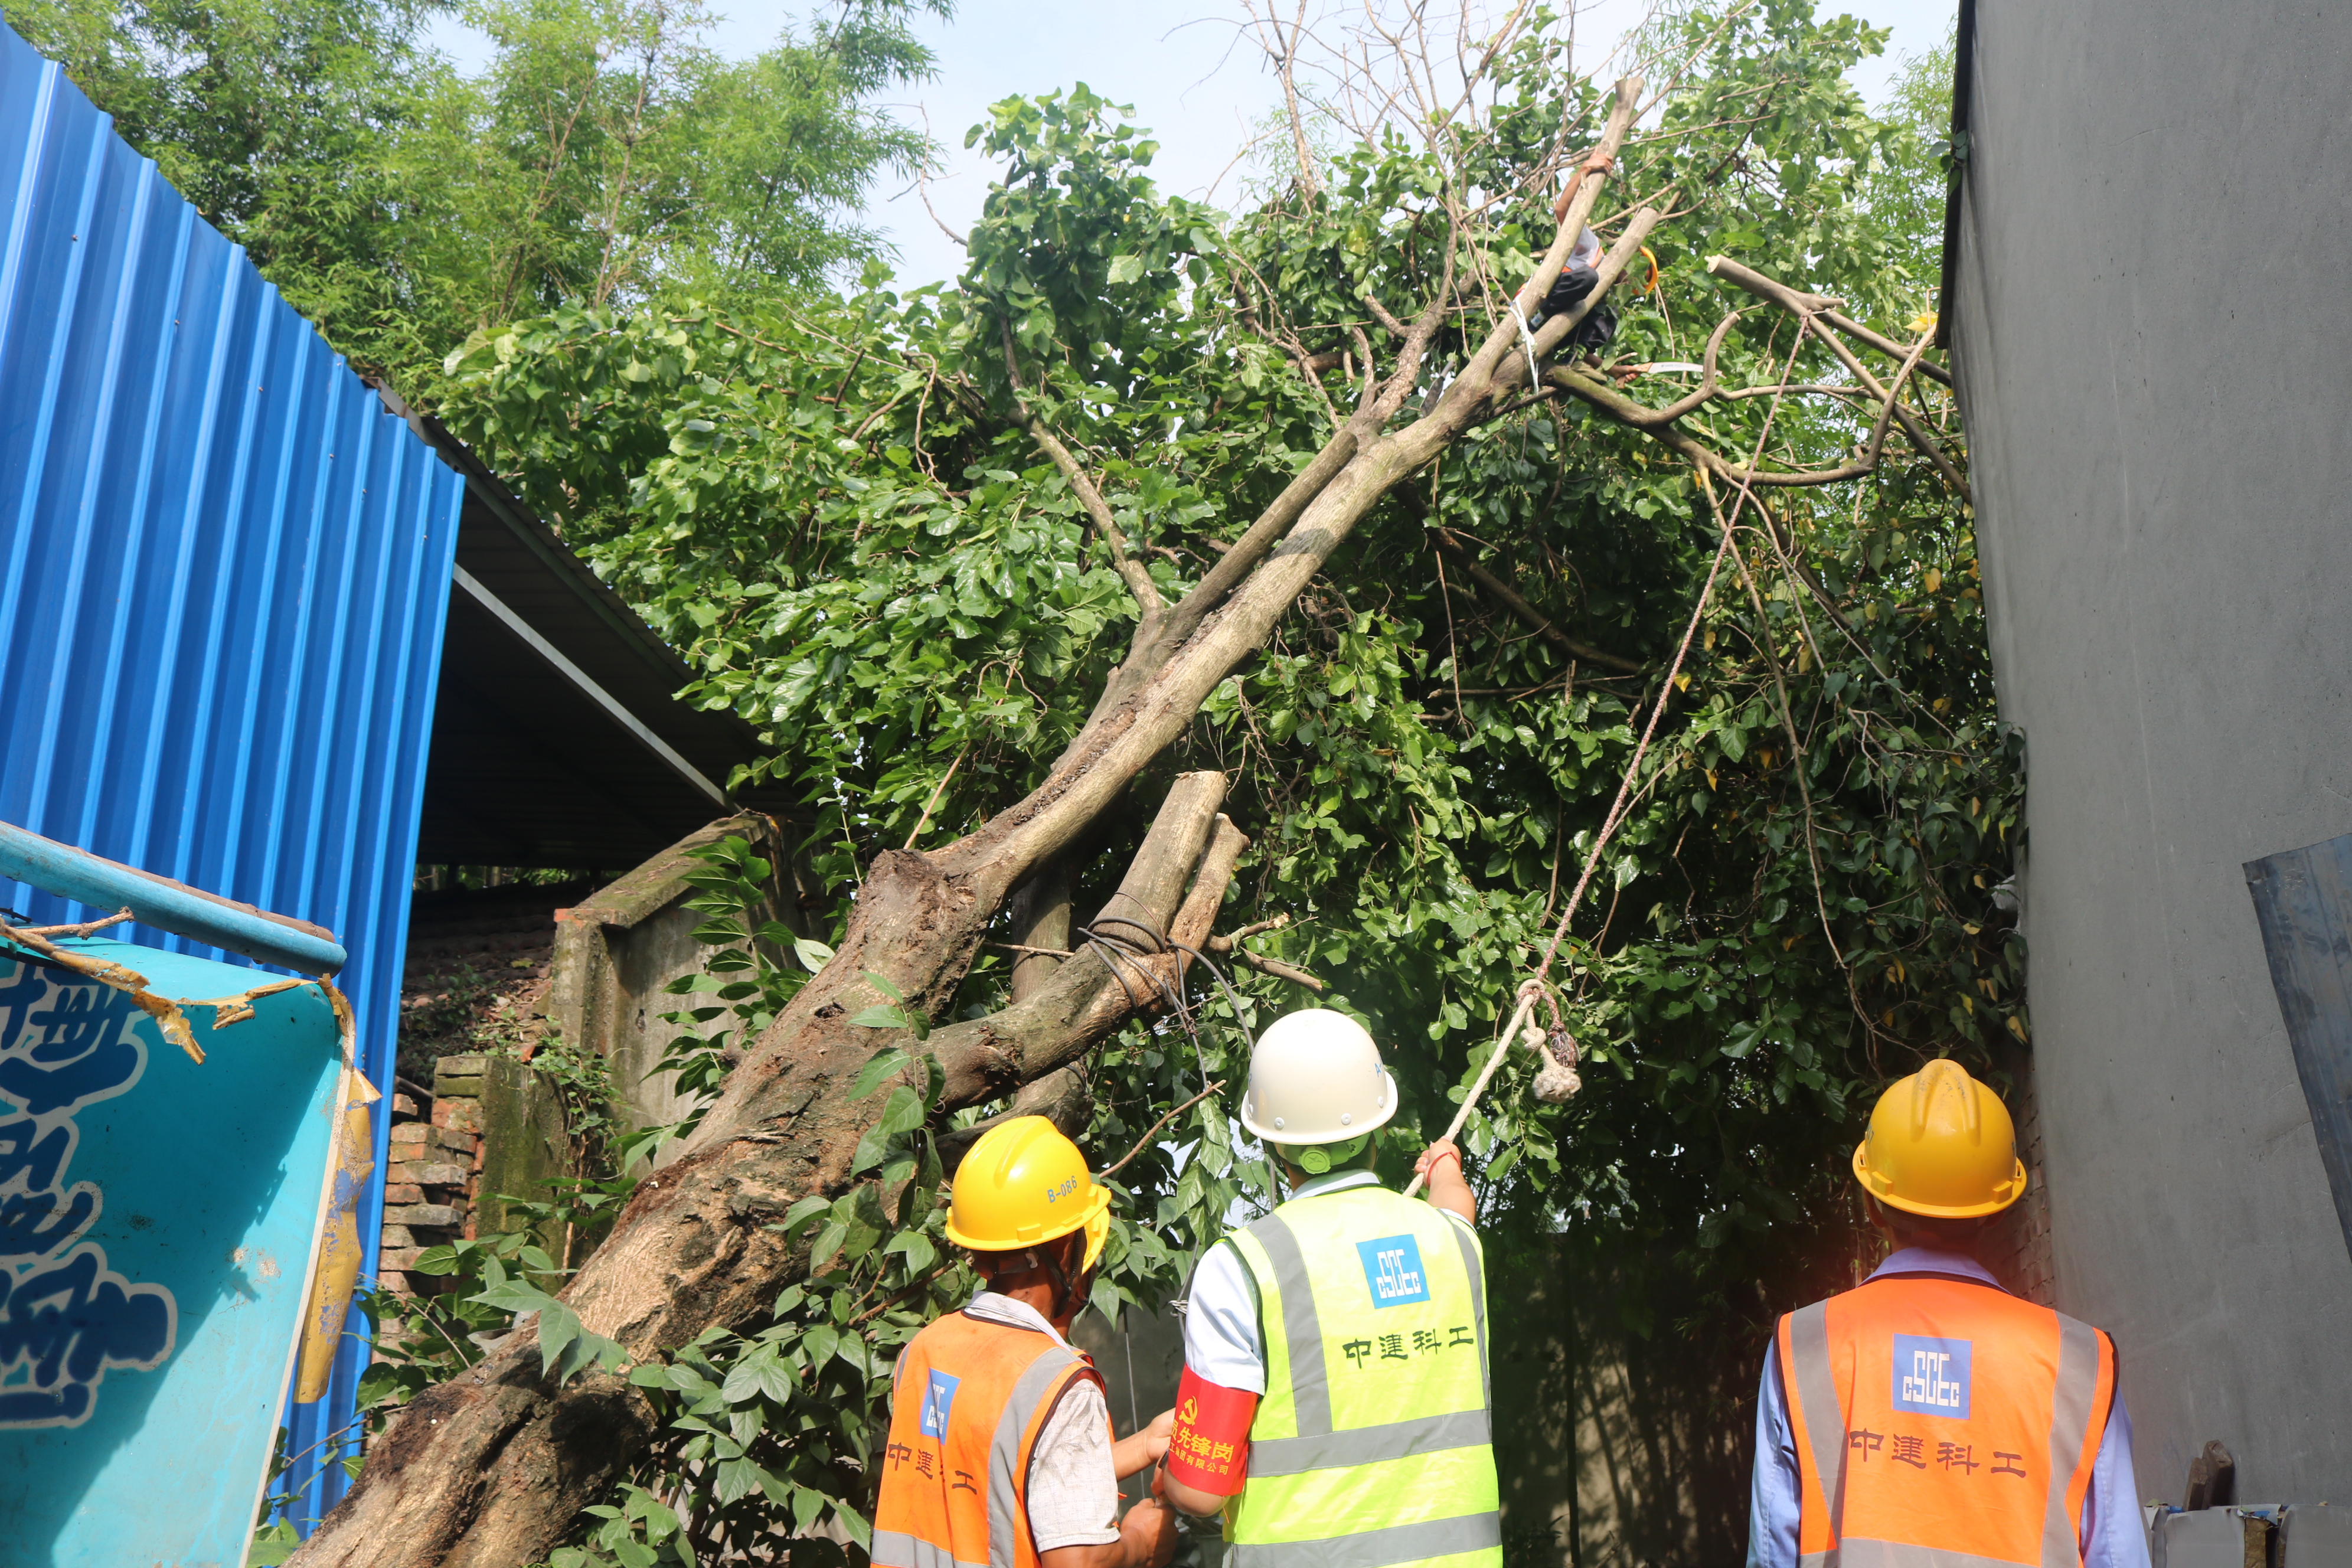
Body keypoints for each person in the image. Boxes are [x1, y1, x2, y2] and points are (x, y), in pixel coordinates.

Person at [1747, 1059, 2150, 1568]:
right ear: (1997, 1211)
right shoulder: (2079, 1362)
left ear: (1873, 1207)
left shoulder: (1803, 1346)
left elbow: (1773, 1549)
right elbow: (2119, 1553)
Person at [1157, 1008, 1501, 1568]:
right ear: (1381, 1126)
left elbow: (1201, 1491)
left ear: (1269, 1145)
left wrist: (1168, 1472)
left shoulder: (1243, 1266)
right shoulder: (1454, 1245)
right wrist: (1445, 1165)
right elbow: (1456, 1207)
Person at [873, 1116, 1179, 1568]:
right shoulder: (1056, 1383)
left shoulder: (925, 1350)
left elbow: (996, 1474)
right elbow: (1079, 1562)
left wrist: (1142, 1447)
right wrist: (1140, 1541)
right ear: (1059, 1254)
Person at [1536, 148, 1622, 352]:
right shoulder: (1592, 248)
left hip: (1557, 331)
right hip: (1544, 300)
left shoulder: (1605, 300)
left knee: (1611, 314)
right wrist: (1584, 170)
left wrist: (1615, 370)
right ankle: (1538, 318)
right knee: (1589, 277)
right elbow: (1561, 210)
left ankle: (1573, 359)